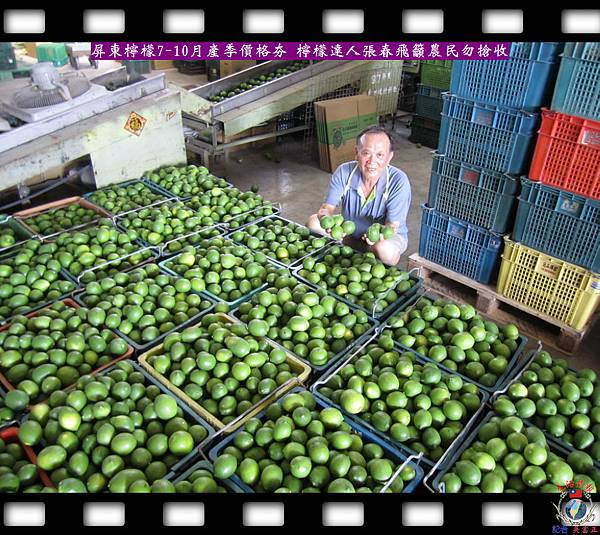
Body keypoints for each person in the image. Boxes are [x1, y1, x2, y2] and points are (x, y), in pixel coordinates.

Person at [307, 125, 411, 266]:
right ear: (357, 153)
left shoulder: (398, 181)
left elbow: (392, 226)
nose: (372, 161)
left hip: (382, 238)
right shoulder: (344, 172)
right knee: (314, 222)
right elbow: (327, 208)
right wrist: (325, 218)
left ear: (389, 158)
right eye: (366, 153)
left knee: (383, 249)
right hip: (350, 234)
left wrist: (375, 238)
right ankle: (350, 250)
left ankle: (375, 259)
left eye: (380, 155)